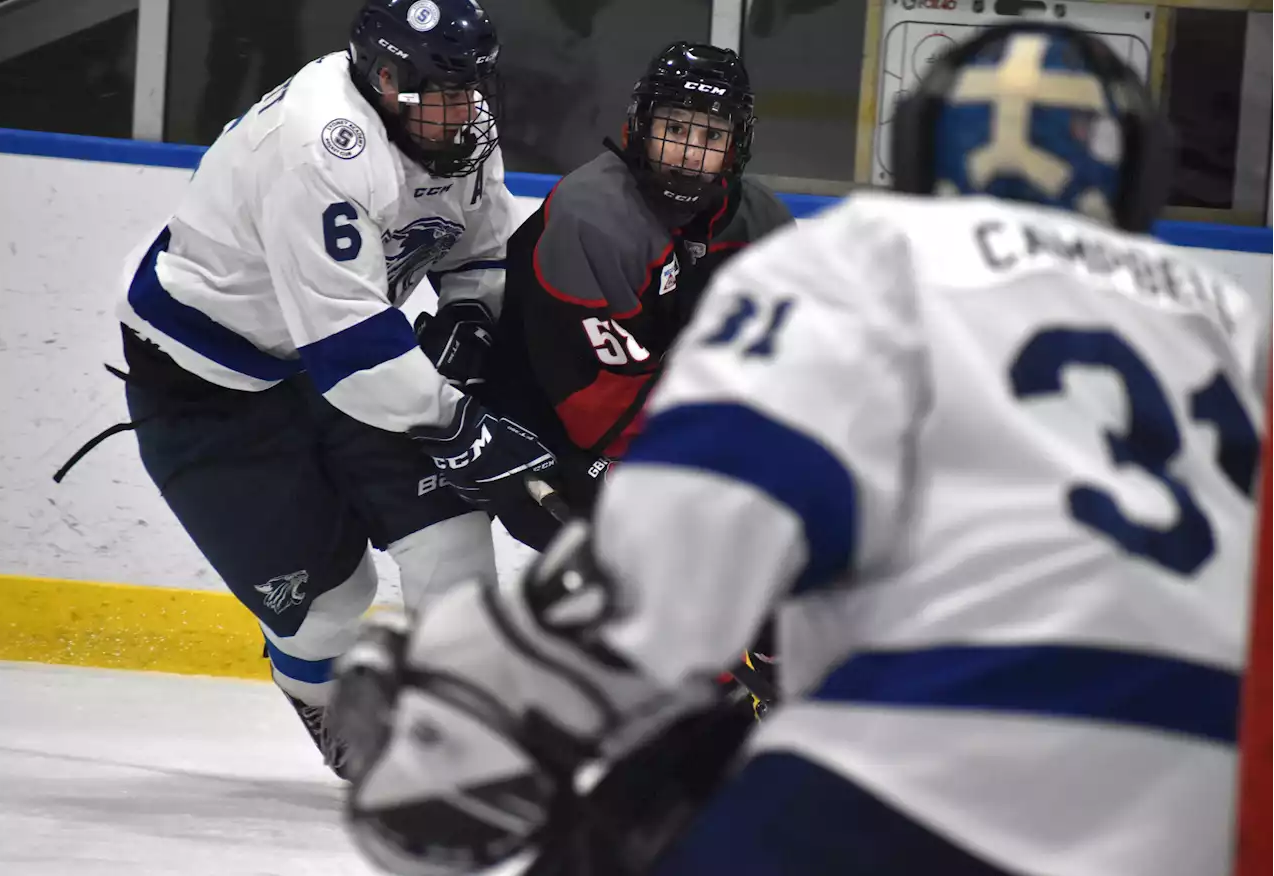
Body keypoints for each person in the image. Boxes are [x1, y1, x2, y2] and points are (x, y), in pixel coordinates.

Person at [329, 20, 1268, 875]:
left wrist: (473, 697)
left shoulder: (872, 262)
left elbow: (681, 546)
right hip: (1203, 803)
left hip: (922, 769)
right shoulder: (1229, 323)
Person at [95, 0, 559, 778]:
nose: (462, 111)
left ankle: (466, 743)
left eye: (471, 88)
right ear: (382, 78)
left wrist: (472, 322)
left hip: (342, 358)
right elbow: (353, 351)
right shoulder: (320, 148)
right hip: (208, 385)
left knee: (451, 539)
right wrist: (463, 422)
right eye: (441, 92)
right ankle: (323, 696)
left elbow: (478, 256)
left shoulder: (456, 127)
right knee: (328, 612)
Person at [426, 41, 793, 553]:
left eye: (711, 135)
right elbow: (594, 402)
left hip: (671, 423)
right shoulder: (592, 218)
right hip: (552, 436)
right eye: (676, 129)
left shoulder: (761, 222)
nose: (689, 153)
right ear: (641, 127)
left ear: (737, 147)